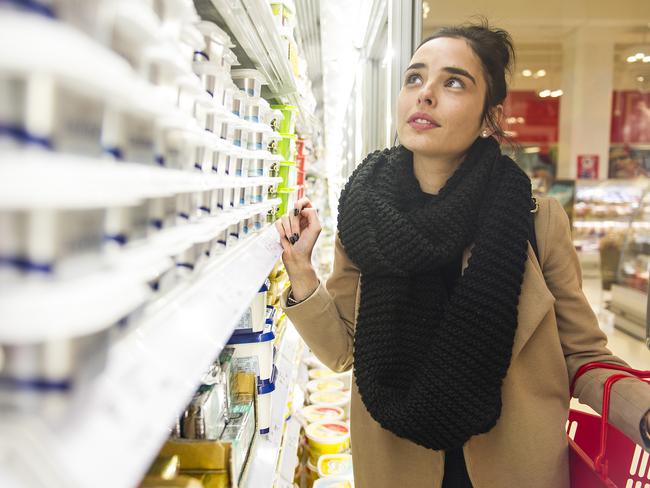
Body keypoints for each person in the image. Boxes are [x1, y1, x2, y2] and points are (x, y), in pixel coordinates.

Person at [275, 21, 650, 488]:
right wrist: (302, 272)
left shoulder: (536, 220)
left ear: (490, 118)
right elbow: (342, 351)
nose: (425, 94)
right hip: (398, 463)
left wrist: (641, 408)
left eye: (454, 82)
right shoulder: (365, 218)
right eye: (414, 78)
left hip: (518, 468)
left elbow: (584, 354)